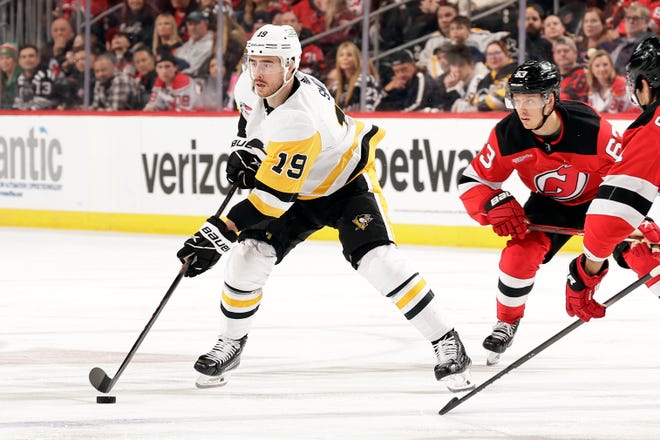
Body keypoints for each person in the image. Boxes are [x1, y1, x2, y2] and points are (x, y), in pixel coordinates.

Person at [176, 24, 475, 393]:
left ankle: (448, 341)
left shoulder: (300, 115)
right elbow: (250, 116)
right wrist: (246, 148)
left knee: (379, 260)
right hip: (298, 189)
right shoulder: (250, 84)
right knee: (249, 256)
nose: (257, 72)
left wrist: (219, 231)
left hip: (345, 186)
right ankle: (231, 342)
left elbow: (272, 201)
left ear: (290, 65)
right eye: (253, 61)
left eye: (268, 63)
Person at [457, 60, 623, 365]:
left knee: (645, 252)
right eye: (517, 99)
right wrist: (490, 203)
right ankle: (506, 321)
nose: (522, 108)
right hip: (549, 205)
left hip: (602, 201)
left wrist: (634, 220)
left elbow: (633, 174)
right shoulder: (509, 133)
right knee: (518, 255)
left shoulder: (592, 129)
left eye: (530, 99)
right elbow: (472, 180)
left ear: (550, 98)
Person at [565, 35, 660, 322]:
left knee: (643, 254)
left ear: (644, 84)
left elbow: (608, 220)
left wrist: (585, 275)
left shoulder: (654, 128)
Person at [375, 49, 441, 112]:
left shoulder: (421, 77)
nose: (401, 75)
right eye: (396, 71)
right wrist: (386, 90)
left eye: (404, 69)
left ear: (414, 66)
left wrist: (396, 117)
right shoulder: (397, 84)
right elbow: (375, 109)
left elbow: (418, 104)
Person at [328, 41, 380, 112]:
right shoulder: (336, 85)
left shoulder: (365, 80)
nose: (345, 58)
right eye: (341, 55)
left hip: (362, 121)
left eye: (349, 55)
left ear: (356, 58)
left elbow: (369, 109)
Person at [585, 49, 637, 114]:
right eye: (597, 66)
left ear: (611, 66)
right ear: (591, 69)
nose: (602, 69)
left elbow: (637, 108)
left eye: (605, 64)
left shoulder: (625, 85)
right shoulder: (591, 89)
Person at [472, 40, 517, 112]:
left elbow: (503, 99)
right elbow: (476, 100)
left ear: (507, 55)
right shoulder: (486, 78)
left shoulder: (516, 71)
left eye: (497, 53)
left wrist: (482, 106)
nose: (493, 57)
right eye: (489, 54)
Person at [176, 10, 215, 76]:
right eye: (190, 24)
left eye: (196, 24)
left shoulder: (211, 45)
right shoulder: (185, 46)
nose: (193, 27)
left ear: (206, 24)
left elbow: (196, 69)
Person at [553, 36, 588, 103]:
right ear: (554, 55)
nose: (562, 54)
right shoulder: (552, 76)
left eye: (566, 51)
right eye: (558, 51)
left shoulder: (583, 73)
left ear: (575, 54)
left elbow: (566, 99)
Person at [0, 42, 21, 109]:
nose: (4, 62)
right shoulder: (3, 80)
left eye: (8, 58)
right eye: (1, 58)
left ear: (15, 60)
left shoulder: (20, 78)